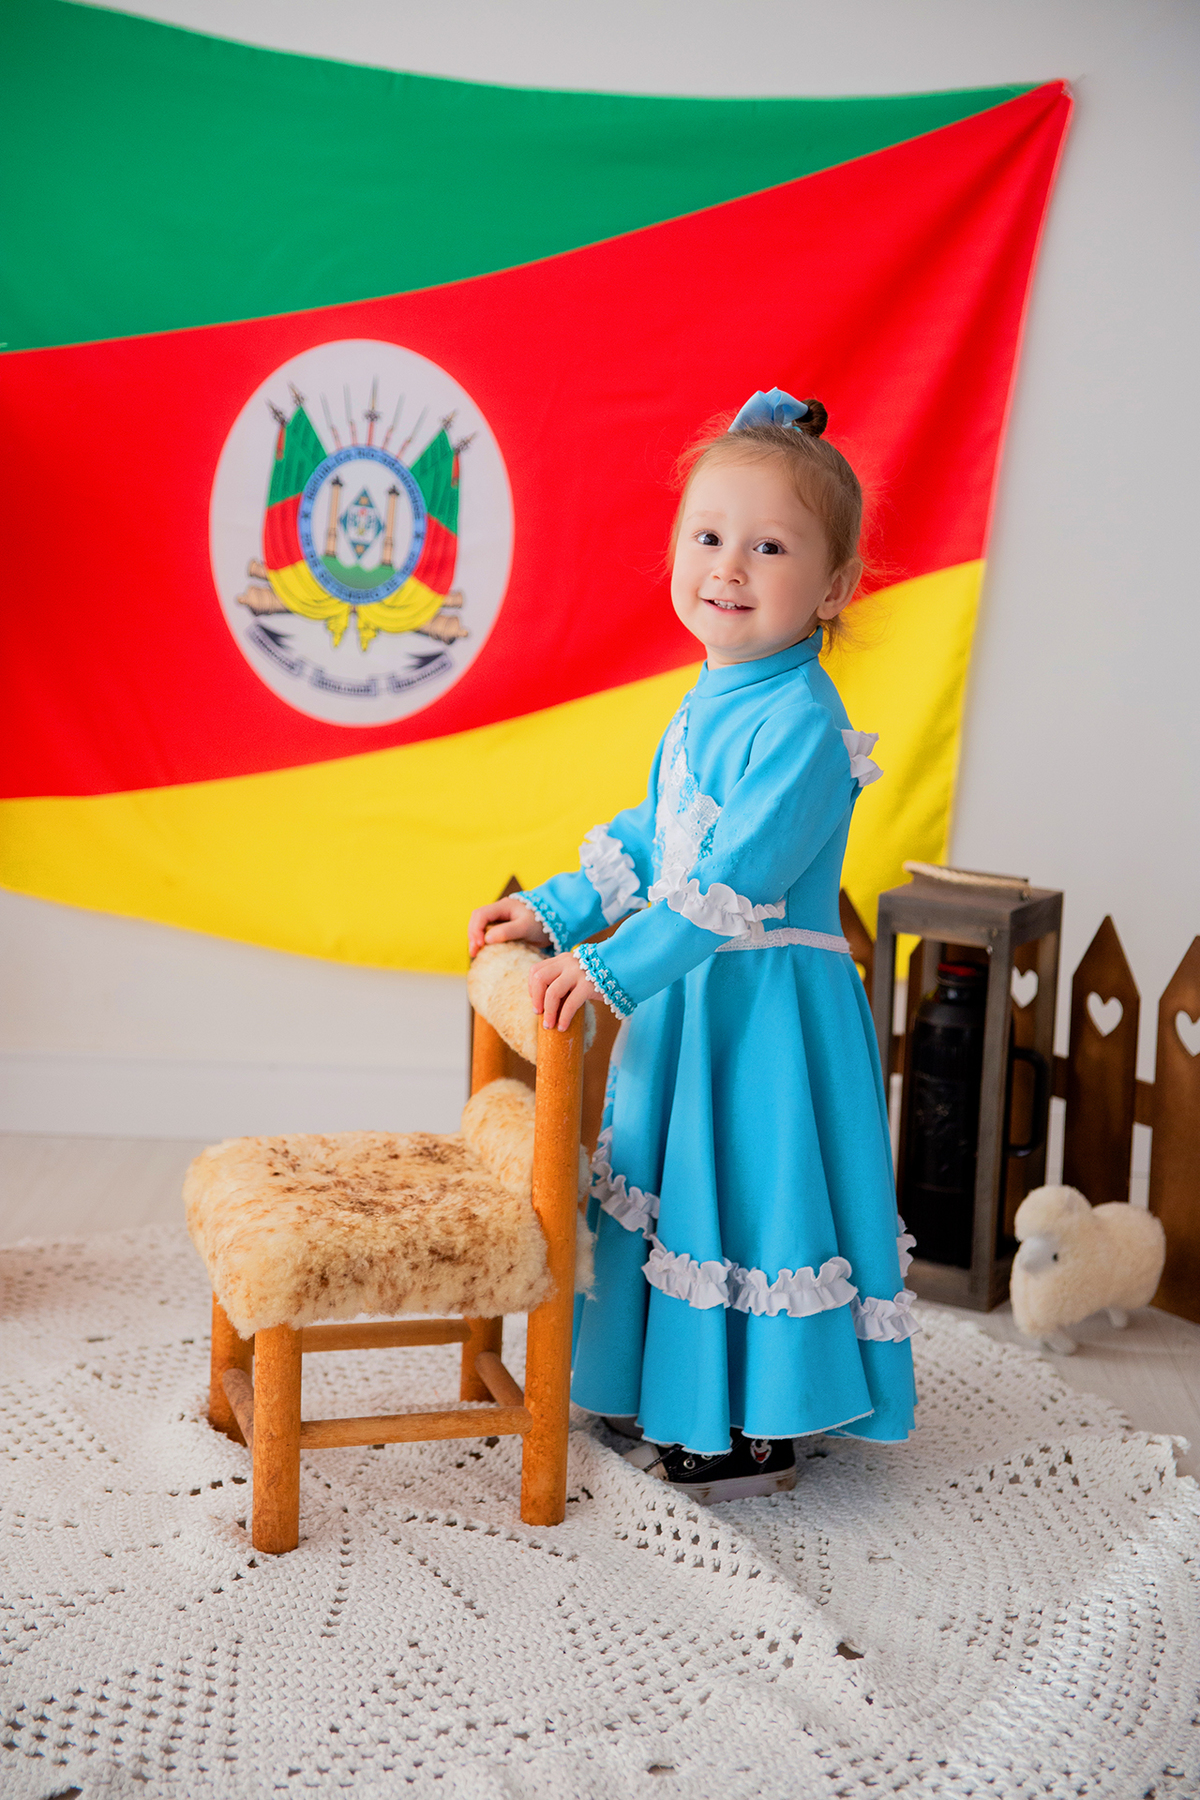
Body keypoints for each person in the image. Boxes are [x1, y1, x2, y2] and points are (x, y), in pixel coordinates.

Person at [467, 388, 917, 1502]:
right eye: (709, 536)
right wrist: (561, 909)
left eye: (770, 546)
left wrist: (611, 968)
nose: (730, 564)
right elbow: (652, 835)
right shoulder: (705, 700)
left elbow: (730, 880)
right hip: (691, 995)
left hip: (761, 1009)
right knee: (674, 1188)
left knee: (751, 1193)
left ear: (832, 588)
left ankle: (748, 1427)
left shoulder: (803, 722)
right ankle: (679, 1388)